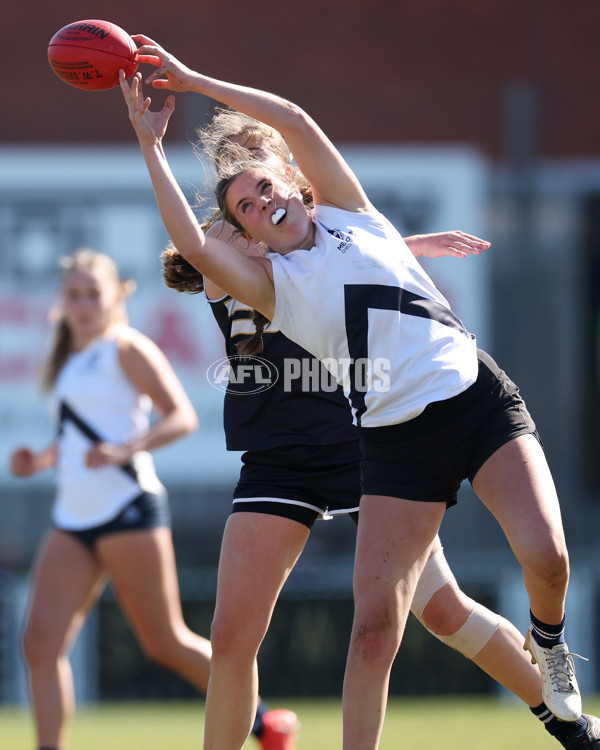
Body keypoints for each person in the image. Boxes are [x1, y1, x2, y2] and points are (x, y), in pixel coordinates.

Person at [120, 40, 587, 750]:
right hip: (290, 451)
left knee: (443, 610)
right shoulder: (233, 245)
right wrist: (152, 142)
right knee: (241, 631)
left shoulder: (337, 222)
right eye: (243, 185)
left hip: (359, 432)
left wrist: (411, 245)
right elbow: (193, 239)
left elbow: (356, 245)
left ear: (289, 176)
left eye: (266, 170)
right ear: (236, 207)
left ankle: (565, 717)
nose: (259, 187)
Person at [8, 249, 298, 750]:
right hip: (71, 515)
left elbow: (180, 416)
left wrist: (127, 448)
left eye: (93, 293)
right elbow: (82, 438)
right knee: (38, 643)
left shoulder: (127, 348)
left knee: (163, 640)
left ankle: (266, 723)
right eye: (73, 295)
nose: (83, 304)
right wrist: (42, 460)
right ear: (62, 302)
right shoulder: (70, 357)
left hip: (127, 508)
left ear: (116, 296)